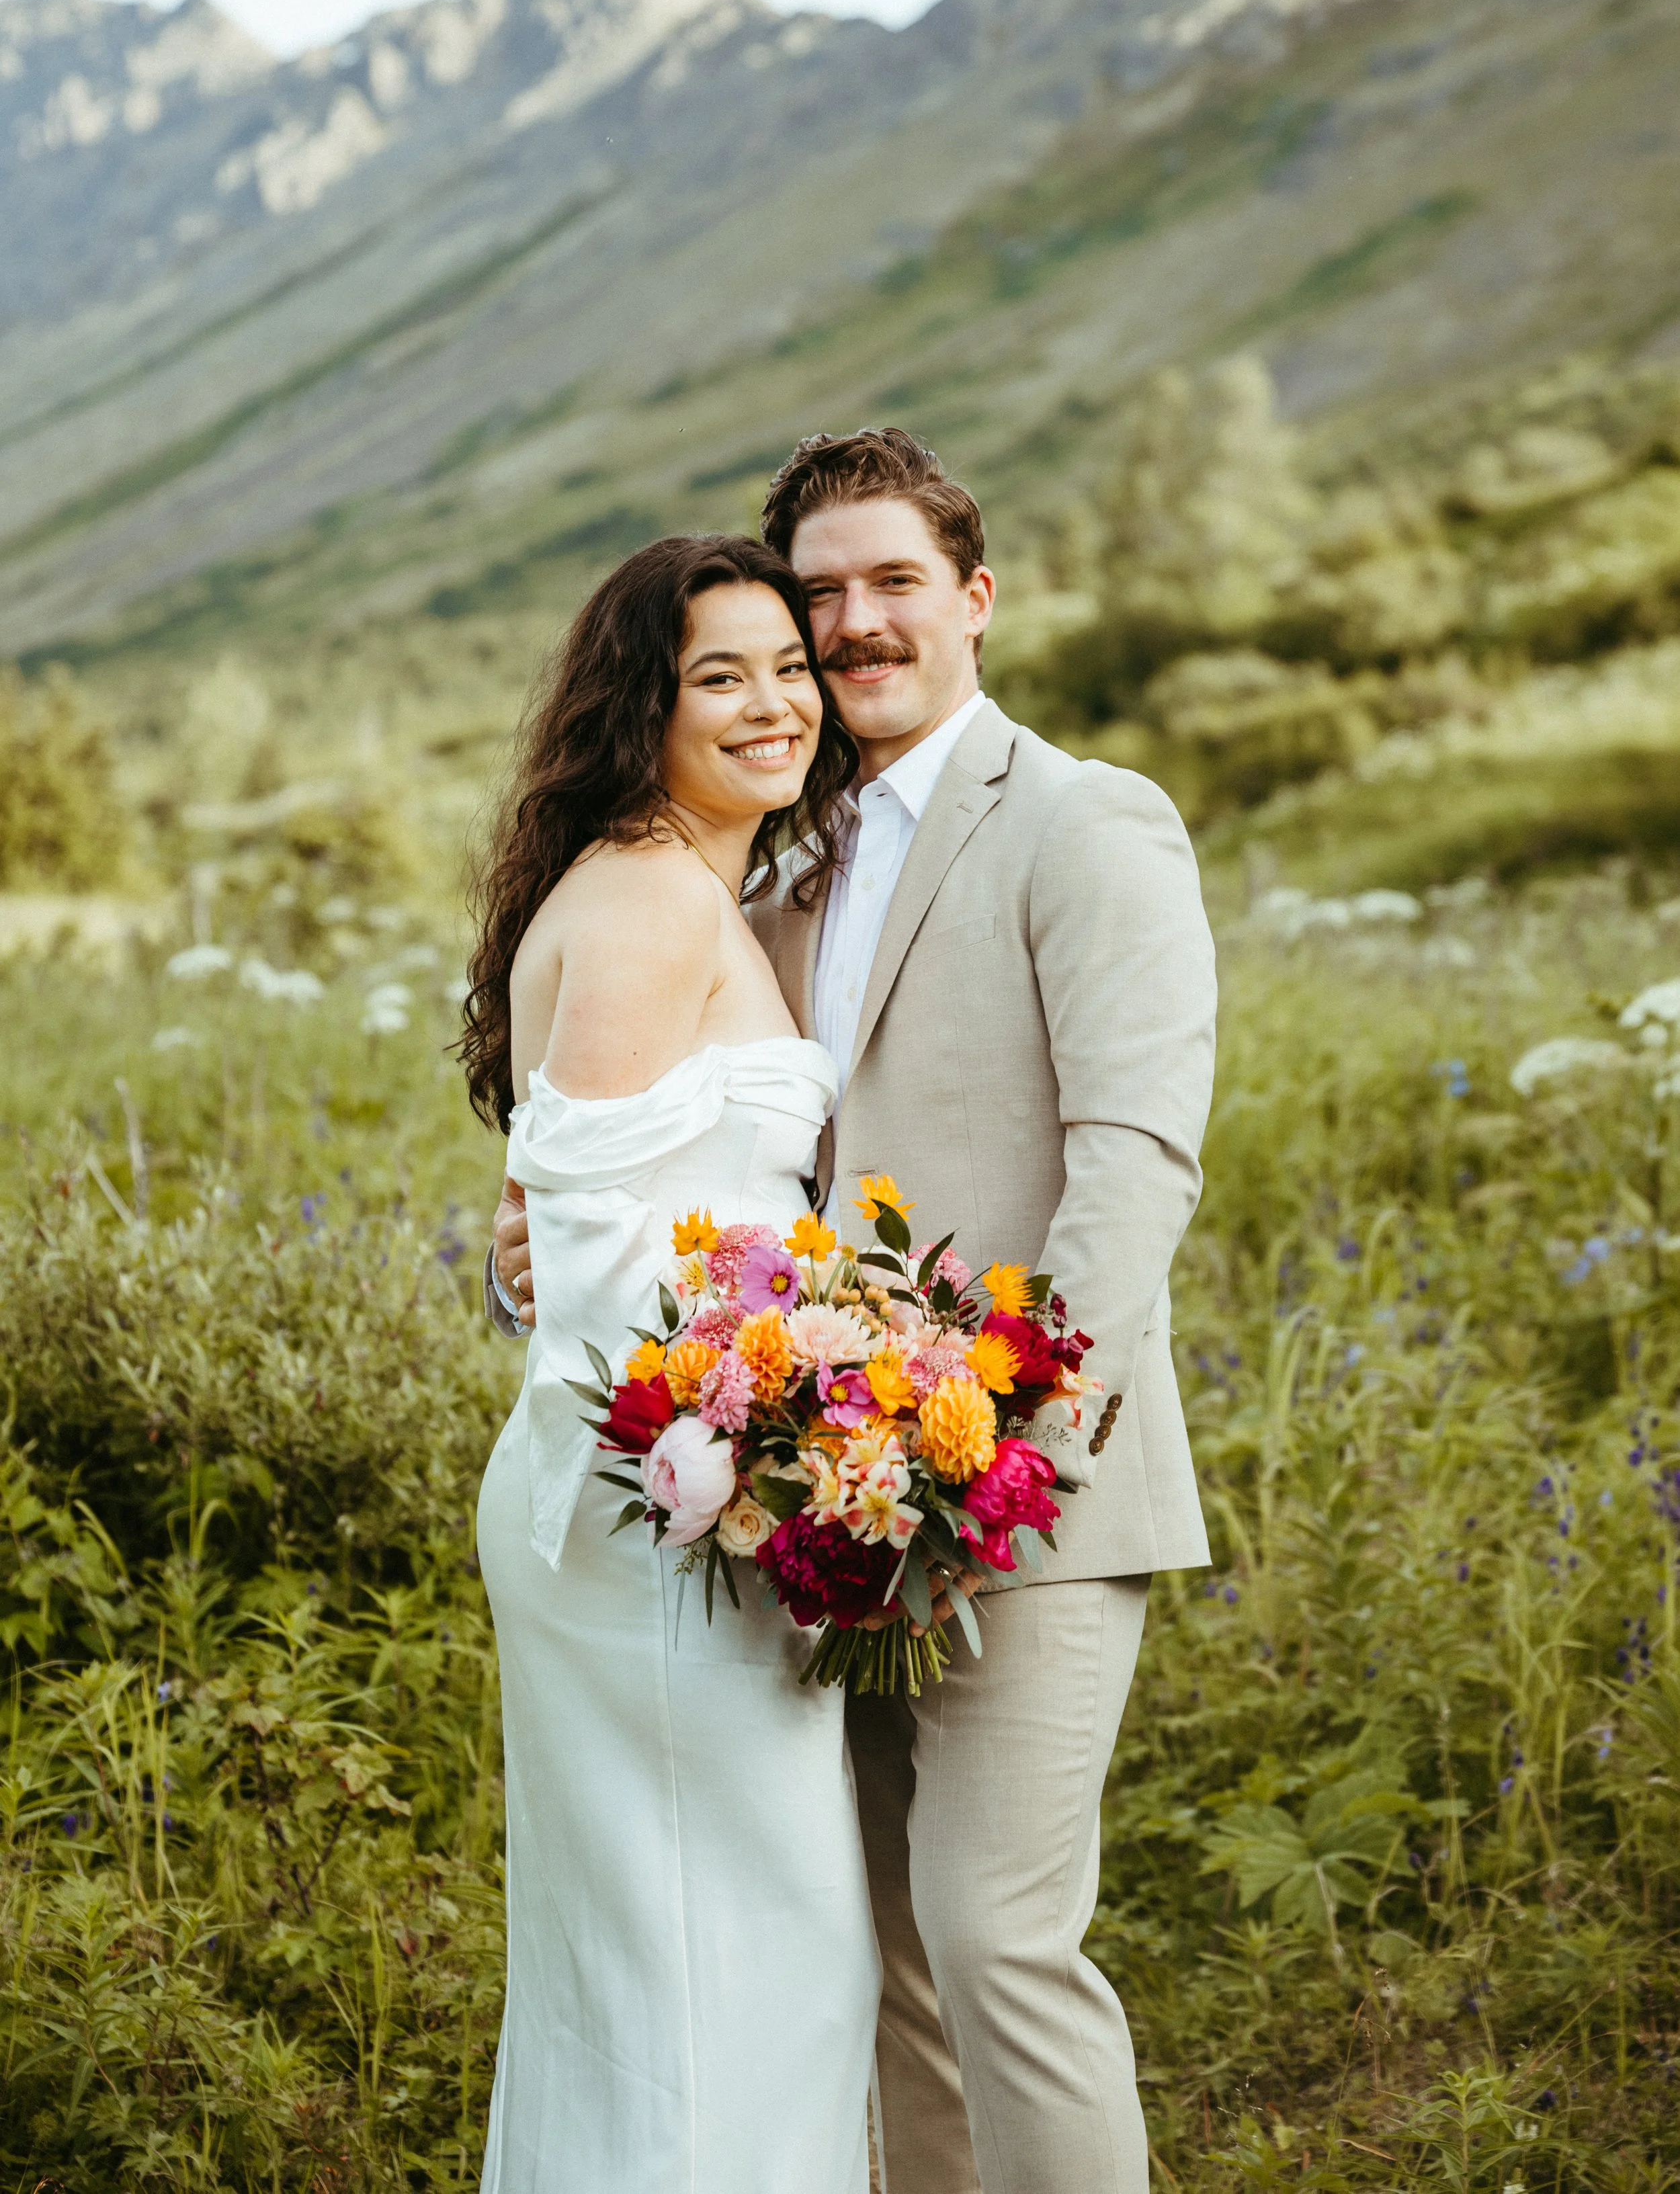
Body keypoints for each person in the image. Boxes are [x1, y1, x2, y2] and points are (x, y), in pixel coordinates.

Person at [491, 429, 1218, 2194]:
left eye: (891, 580)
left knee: (995, 1940)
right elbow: (694, 1178)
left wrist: (1007, 1450)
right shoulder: (768, 876)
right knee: (864, 1963)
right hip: (802, 1502)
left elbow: (1132, 1159)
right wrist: (552, 1252)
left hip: (1012, 1483)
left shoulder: (1085, 816)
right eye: (820, 595)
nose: (853, 624)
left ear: (973, 596)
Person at [460, 532, 880, 2194]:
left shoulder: (690, 883)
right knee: (736, 1965)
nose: (776, 704)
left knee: (681, 1967)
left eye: (790, 668)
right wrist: (824, 1392)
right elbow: (589, 1262)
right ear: (643, 705)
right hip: (656, 1511)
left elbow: (564, 1210)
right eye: (723, 675)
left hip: (674, 1483)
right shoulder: (647, 893)